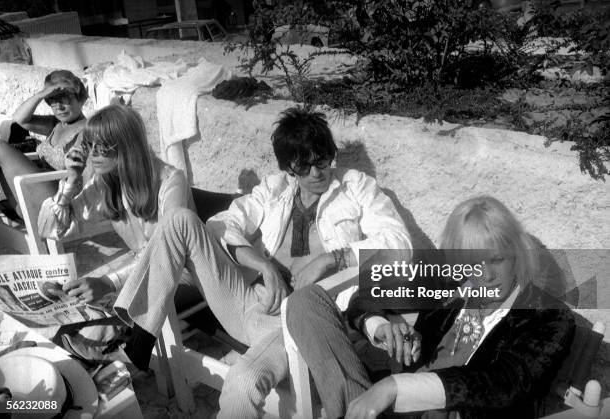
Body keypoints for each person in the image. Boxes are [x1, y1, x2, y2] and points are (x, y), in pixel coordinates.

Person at [112, 107, 412, 418]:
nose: (317, 172)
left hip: (299, 322)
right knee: (179, 220)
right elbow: (220, 224)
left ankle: (137, 331)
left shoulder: (356, 187)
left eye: (322, 160)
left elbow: (400, 245)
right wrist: (263, 266)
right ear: (288, 168)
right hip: (246, 300)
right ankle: (142, 331)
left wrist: (331, 259)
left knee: (242, 383)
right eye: (304, 166)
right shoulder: (274, 189)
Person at [286, 195, 576, 419]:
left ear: (516, 254)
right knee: (306, 300)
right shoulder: (448, 285)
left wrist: (396, 386)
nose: (486, 276)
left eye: (497, 260)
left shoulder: (549, 316)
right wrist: (383, 327)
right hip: (390, 410)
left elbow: (504, 384)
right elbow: (366, 297)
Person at [37, 104, 194, 360]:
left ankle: (95, 360)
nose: (94, 154)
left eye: (104, 146)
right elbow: (50, 229)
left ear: (126, 146)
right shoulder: (108, 183)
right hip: (139, 270)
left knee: (91, 325)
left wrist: (110, 282)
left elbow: (169, 254)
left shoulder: (169, 181)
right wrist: (70, 183)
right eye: (90, 145)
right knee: (71, 304)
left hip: (181, 272)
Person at [0, 70, 88, 218]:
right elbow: (20, 119)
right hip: (35, 189)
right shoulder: (55, 124)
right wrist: (41, 94)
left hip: (59, 200)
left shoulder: (88, 129)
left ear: (80, 99)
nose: (59, 107)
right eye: (52, 100)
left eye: (65, 99)